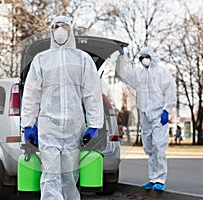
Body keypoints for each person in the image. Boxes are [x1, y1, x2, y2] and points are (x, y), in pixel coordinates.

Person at [21, 16, 104, 200]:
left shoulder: (83, 59)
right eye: (56, 26)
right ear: (51, 31)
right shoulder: (41, 59)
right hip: (48, 126)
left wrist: (94, 124)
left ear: (71, 30)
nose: (60, 29)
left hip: (74, 126)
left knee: (70, 175)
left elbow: (92, 93)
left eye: (64, 26)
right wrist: (28, 124)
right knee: (50, 175)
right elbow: (31, 94)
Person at [115, 47, 176, 191]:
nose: (144, 59)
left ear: (152, 57)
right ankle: (153, 178)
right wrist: (121, 57)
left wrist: (166, 110)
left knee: (159, 147)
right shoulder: (138, 74)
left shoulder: (162, 73)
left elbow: (170, 91)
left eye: (146, 56)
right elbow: (122, 74)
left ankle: (160, 180)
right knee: (149, 148)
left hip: (159, 115)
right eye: (141, 57)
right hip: (145, 115)